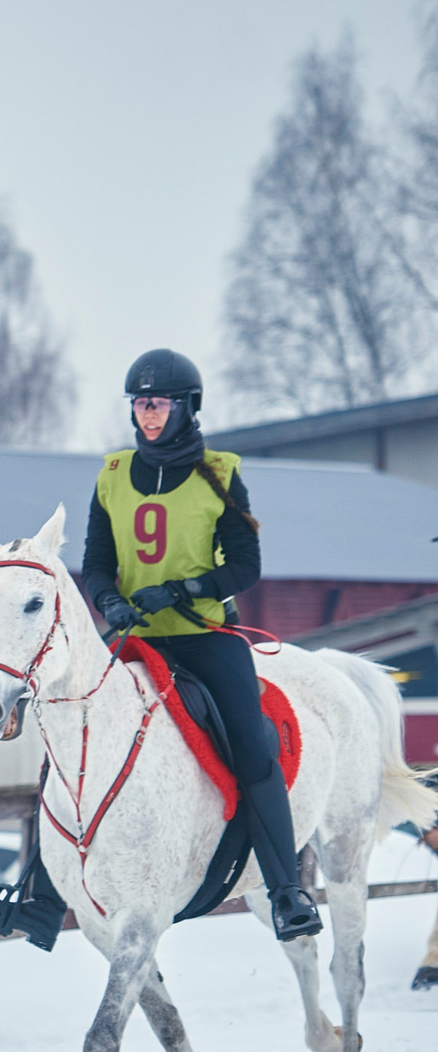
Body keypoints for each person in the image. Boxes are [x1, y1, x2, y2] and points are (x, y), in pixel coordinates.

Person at [78, 347, 321, 940]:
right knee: (71, 733)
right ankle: (35, 889)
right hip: (136, 642)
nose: (147, 414)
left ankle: (287, 891)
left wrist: (186, 588)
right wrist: (107, 600)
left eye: (157, 403)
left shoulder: (219, 471)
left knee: (253, 743)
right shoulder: (111, 475)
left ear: (186, 407)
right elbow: (95, 562)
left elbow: (245, 564)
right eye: (140, 403)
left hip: (204, 638)